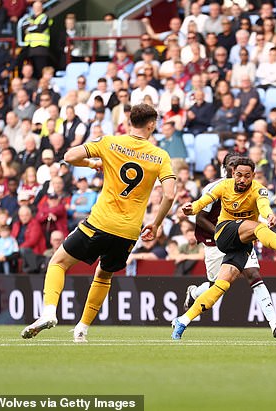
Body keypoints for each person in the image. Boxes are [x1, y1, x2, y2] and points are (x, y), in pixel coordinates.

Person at [21, 104, 177, 343]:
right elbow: (169, 194)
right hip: (128, 231)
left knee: (58, 262)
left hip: (100, 222)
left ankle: (49, 312)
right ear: (151, 124)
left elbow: (69, 156)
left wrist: (92, 164)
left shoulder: (110, 142)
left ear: (128, 121)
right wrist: (155, 224)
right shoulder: (160, 156)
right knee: (104, 276)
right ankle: (82, 329)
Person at [172, 157, 276, 339]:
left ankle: (182, 320)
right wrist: (191, 208)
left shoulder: (259, 189)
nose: (242, 180)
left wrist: (269, 215)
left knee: (220, 286)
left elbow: (264, 205)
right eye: (239, 175)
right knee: (256, 227)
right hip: (223, 232)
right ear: (232, 173)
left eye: (247, 176)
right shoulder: (222, 186)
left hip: (243, 243)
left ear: (253, 176)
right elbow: (203, 202)